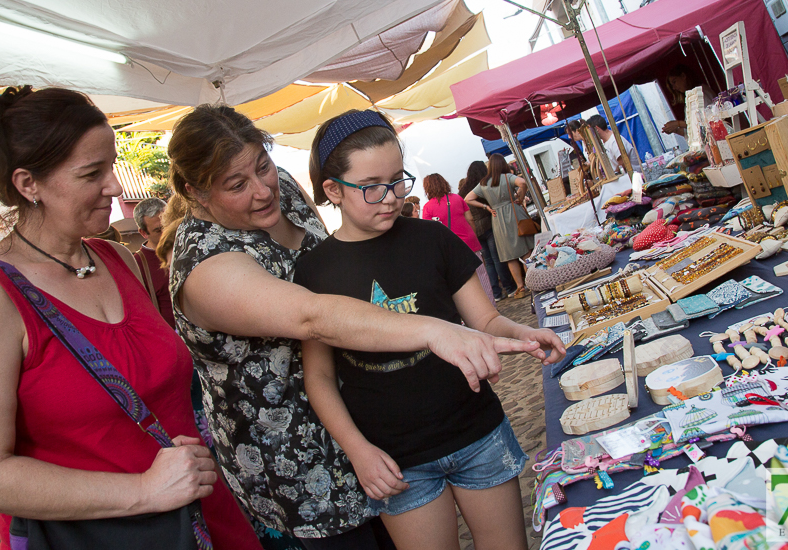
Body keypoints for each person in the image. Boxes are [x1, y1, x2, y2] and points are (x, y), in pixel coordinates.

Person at [167, 105, 543, 549]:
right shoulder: (204, 263)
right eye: (236, 185)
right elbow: (314, 319)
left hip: (395, 435)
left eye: (263, 166)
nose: (262, 188)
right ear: (197, 192)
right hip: (306, 464)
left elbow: (481, 314)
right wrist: (436, 330)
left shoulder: (284, 190)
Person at [0, 86, 260, 550]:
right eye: (91, 173)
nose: (115, 186)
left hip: (199, 519)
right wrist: (142, 491)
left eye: (112, 166)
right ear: (28, 184)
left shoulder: (115, 258)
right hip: (101, 532)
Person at [295, 109, 564, 550]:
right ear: (332, 190)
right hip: (397, 460)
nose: (390, 197)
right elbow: (319, 377)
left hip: (475, 431)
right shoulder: (314, 272)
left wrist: (521, 333)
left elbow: (485, 320)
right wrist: (357, 451)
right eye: (372, 187)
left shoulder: (432, 238)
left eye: (398, 181)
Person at [464, 154, 532, 299]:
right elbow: (523, 183)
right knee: (525, 251)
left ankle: (520, 286)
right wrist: (520, 197)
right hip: (514, 213)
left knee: (509, 256)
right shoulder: (507, 177)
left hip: (498, 218)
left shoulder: (484, 183)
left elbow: (468, 198)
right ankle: (532, 281)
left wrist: (486, 206)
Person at [421, 173, 494, 303]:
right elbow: (470, 219)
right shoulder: (457, 198)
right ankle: (491, 305)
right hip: (469, 242)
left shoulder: (428, 207)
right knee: (482, 276)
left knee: (462, 283)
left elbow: (428, 233)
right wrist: (473, 236)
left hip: (450, 250)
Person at [461, 162, 514, 301]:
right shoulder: (484, 185)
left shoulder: (463, 190)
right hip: (489, 225)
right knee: (498, 259)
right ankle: (509, 288)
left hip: (475, 230)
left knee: (488, 262)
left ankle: (496, 293)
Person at [133, 197, 174, 323]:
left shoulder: (186, 246)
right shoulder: (137, 264)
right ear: (144, 233)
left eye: (168, 226)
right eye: (159, 230)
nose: (167, 232)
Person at [662, 64, 715, 137]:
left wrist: (678, 124)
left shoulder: (702, 93)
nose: (674, 88)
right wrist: (674, 129)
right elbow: (690, 132)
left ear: (683, 76)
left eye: (674, 82)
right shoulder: (690, 99)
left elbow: (707, 121)